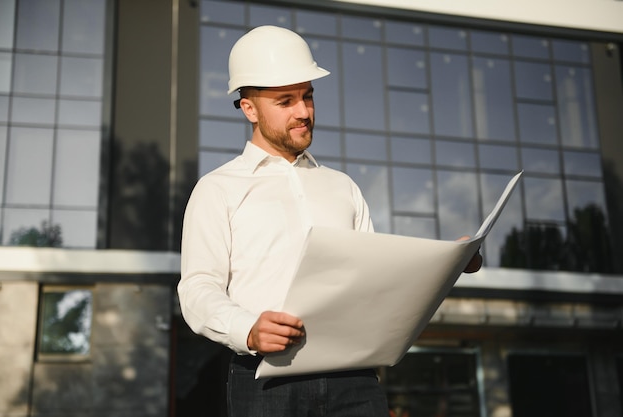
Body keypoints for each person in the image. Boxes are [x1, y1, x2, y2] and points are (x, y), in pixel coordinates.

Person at [178, 25, 482, 417]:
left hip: (354, 382)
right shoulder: (217, 189)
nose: (304, 111)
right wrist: (246, 328)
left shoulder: (344, 187)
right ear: (249, 108)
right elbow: (198, 288)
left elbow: (375, 278)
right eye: (285, 100)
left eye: (307, 96)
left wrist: (446, 262)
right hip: (266, 382)